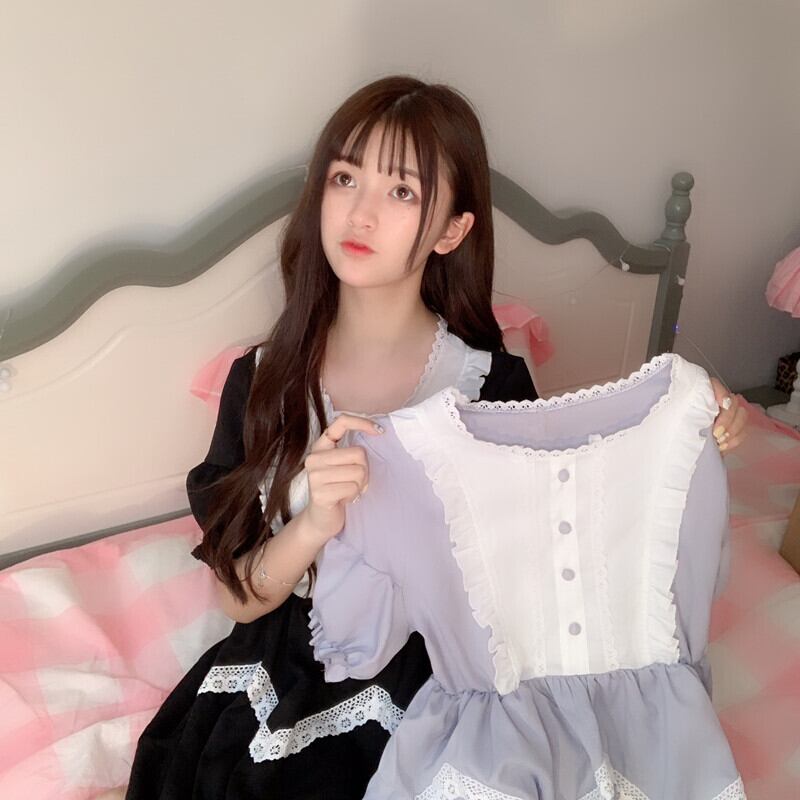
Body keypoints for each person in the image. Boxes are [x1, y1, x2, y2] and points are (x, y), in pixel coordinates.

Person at [120, 75, 746, 800]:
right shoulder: (264, 383)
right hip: (290, 662)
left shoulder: (488, 383)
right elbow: (240, 599)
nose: (360, 212)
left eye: (402, 192)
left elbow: (561, 539)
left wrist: (691, 426)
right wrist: (315, 524)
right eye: (345, 178)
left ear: (452, 230)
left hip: (451, 671)